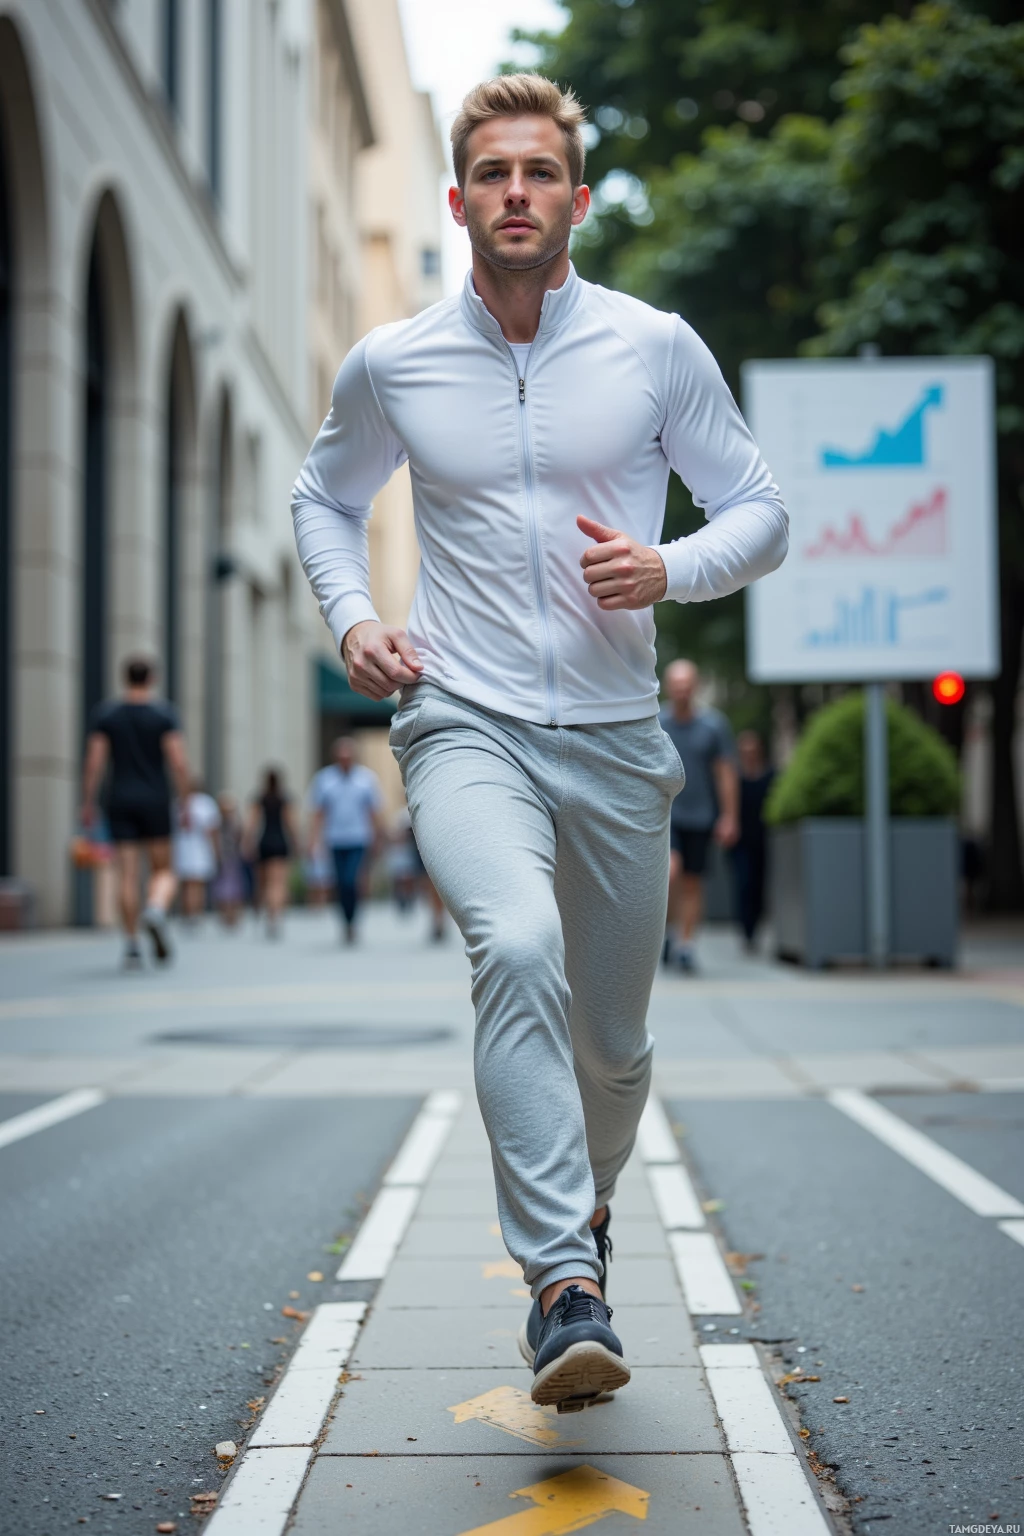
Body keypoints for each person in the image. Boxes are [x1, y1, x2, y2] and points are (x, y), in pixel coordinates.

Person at [291, 74, 787, 1409]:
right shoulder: (395, 363)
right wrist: (352, 623)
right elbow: (324, 498)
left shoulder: (652, 347)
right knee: (513, 946)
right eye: (493, 174)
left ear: (576, 197)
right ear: (460, 200)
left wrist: (669, 569)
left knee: (614, 1047)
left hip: (621, 734)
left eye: (540, 173)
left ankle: (594, 1209)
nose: (518, 193)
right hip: (463, 719)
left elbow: (760, 507)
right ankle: (564, 1279)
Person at [80, 656, 190, 968]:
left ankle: (131, 945)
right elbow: (178, 762)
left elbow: (94, 762)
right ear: (151, 678)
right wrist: (185, 801)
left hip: (120, 799)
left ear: (124, 677)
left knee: (127, 875)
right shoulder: (163, 715)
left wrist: (88, 802)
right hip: (155, 799)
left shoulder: (108, 715)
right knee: (163, 870)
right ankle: (155, 909)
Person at [660, 660, 739, 972]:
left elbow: (725, 773)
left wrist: (730, 817)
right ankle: (665, 931)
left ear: (696, 687)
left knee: (693, 882)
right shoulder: (657, 721)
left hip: (701, 815)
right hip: (665, 813)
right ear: (668, 686)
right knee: (670, 873)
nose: (681, 690)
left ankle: (685, 945)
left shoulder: (713, 725)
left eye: (687, 684)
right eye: (676, 684)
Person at [307, 738, 383, 943]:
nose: (345, 761)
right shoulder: (324, 779)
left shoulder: (366, 779)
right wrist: (313, 839)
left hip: (359, 838)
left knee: (352, 881)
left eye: (348, 757)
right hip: (335, 839)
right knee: (340, 883)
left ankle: (353, 919)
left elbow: (373, 812)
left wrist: (378, 837)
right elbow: (318, 813)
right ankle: (346, 922)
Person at [732, 729, 774, 951]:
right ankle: (746, 930)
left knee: (759, 885)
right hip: (739, 841)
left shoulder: (770, 775)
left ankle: (755, 927)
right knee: (743, 883)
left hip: (763, 840)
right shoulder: (735, 777)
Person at [245, 767, 298, 938]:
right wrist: (296, 842)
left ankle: (268, 912)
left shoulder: (260, 799)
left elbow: (252, 824)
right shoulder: (284, 799)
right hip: (280, 842)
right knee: (278, 882)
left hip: (265, 842)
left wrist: (247, 842)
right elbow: (291, 824)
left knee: (265, 883)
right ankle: (275, 915)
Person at [173, 778, 221, 922]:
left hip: (182, 847)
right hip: (200, 847)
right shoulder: (205, 803)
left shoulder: (178, 803)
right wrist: (216, 849)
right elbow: (212, 829)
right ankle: (195, 913)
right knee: (197, 884)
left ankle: (188, 913)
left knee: (187, 884)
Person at [212, 792, 247, 928]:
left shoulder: (232, 823)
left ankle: (231, 915)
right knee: (228, 888)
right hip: (227, 858)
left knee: (230, 887)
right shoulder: (219, 823)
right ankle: (228, 915)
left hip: (232, 858)